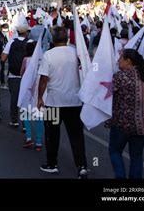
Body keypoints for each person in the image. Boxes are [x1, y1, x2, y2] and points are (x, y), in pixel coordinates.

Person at [37, 27, 88, 178]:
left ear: (52, 40)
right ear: (66, 39)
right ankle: (82, 166)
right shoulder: (76, 53)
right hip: (75, 101)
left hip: (54, 102)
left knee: (52, 135)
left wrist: (40, 98)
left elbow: (44, 79)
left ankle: (52, 164)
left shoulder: (48, 55)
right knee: (76, 135)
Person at [108, 49, 144, 179]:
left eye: (121, 58)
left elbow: (107, 96)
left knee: (115, 152)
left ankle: (120, 177)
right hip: (143, 125)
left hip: (122, 124)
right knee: (137, 156)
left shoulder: (120, 76)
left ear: (128, 61)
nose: (118, 61)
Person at [1, 24, 33, 128]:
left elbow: (3, 58)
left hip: (13, 75)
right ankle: (25, 123)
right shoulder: (31, 42)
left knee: (14, 99)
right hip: (27, 76)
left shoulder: (11, 42)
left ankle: (14, 120)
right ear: (26, 32)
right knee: (26, 100)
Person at [20, 41, 44, 151]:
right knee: (39, 117)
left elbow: (22, 73)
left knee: (26, 114)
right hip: (40, 91)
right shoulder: (43, 60)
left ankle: (29, 138)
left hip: (28, 90)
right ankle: (39, 142)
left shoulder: (26, 60)